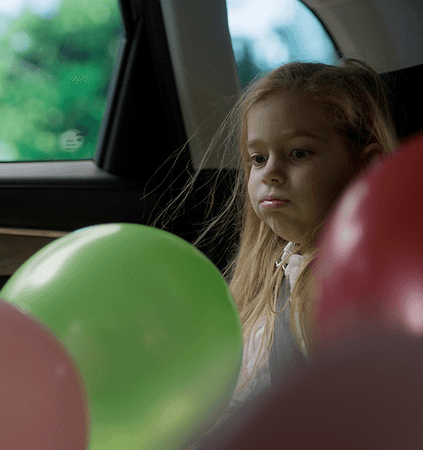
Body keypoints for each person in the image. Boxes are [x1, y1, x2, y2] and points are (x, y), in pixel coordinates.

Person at [160, 58, 399, 445]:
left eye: (298, 153)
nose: (270, 172)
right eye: (258, 158)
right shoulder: (277, 271)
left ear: (366, 167)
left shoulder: (347, 294)